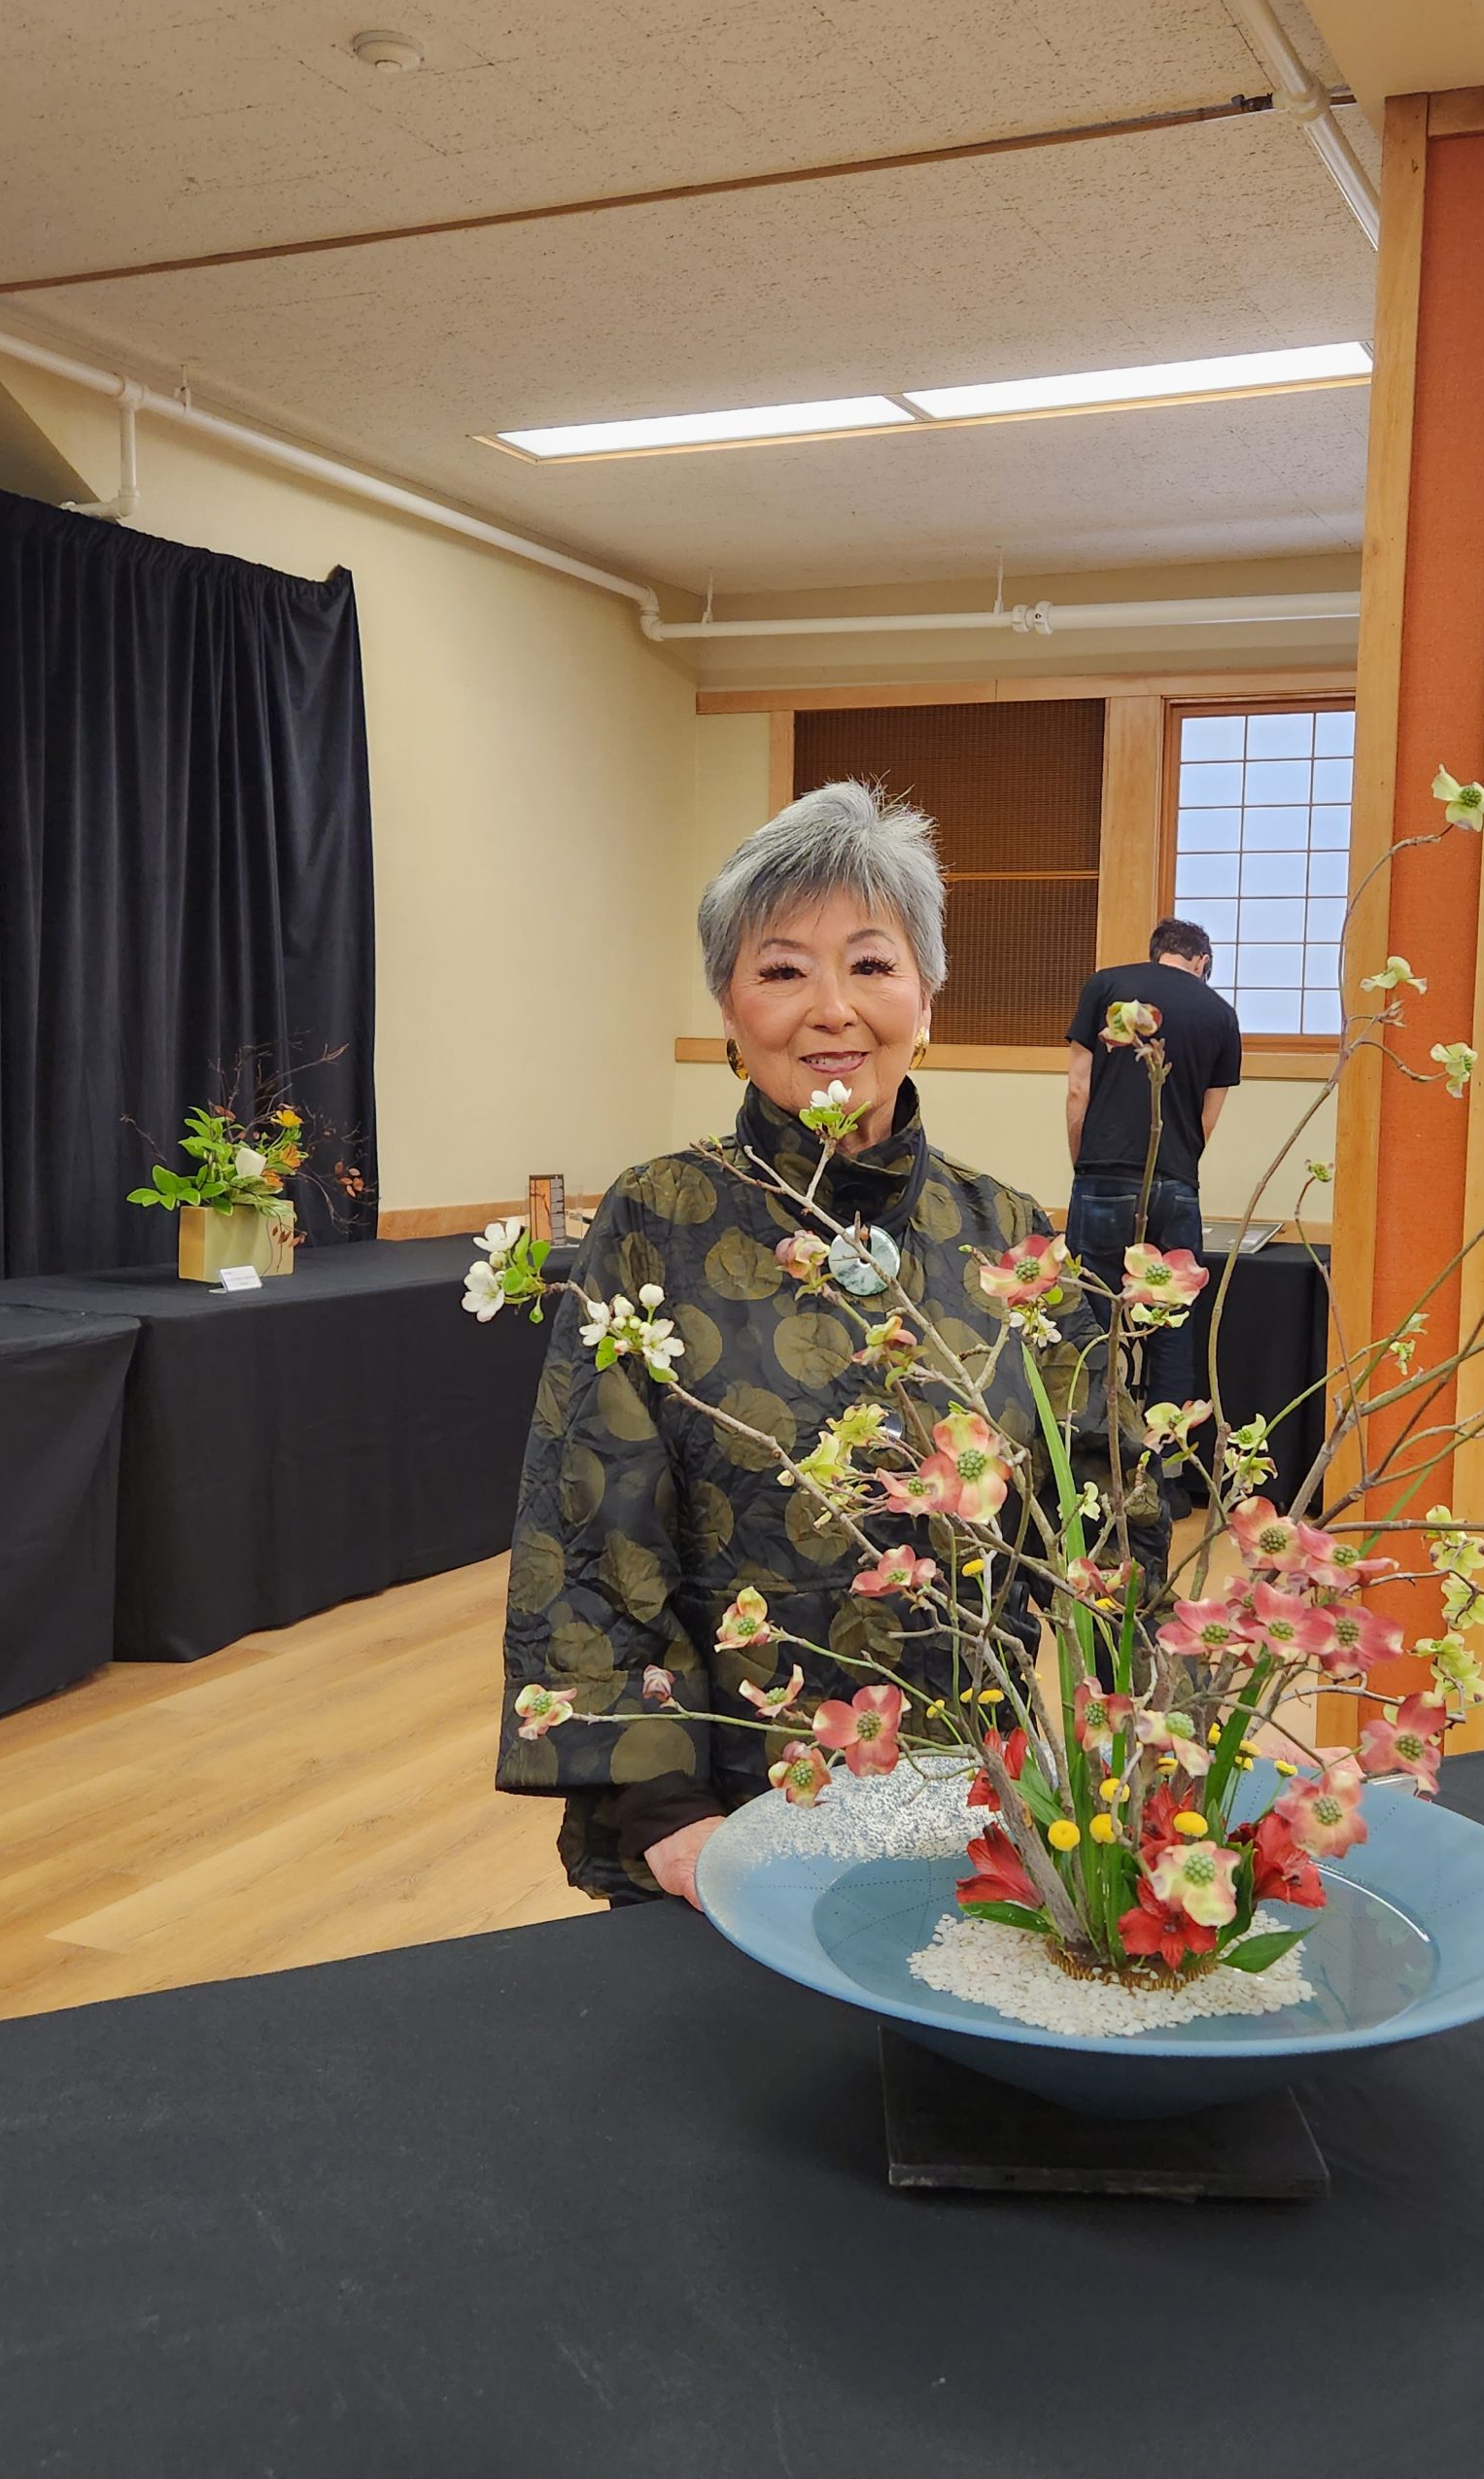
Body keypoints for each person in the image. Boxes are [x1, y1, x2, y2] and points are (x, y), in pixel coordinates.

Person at [496, 781, 1160, 1910]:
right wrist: (669, 1819)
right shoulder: (660, 1215)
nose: (832, 1009)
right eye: (782, 969)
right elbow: (591, 1515)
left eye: (870, 963)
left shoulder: (1011, 1235)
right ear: (729, 1008)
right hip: (728, 1823)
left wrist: (1129, 1753)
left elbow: (1107, 1516)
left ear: (926, 999)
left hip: (972, 1807)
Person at [1064, 918, 1242, 1436]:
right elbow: (1207, 1122)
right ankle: (1165, 1468)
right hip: (1176, 1183)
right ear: (1202, 962)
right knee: (1170, 1325)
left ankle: (1090, 1454)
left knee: (1090, 1320)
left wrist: (1085, 1160)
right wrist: (1176, 1169)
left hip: (1101, 1173)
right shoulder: (1221, 1015)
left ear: (1156, 952)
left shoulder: (1107, 985)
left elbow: (1079, 1089)